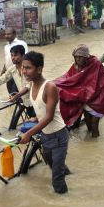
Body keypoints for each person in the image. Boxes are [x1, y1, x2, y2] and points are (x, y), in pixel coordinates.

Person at [19, 51, 71, 194]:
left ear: (40, 69)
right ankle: (67, 172)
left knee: (57, 179)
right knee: (51, 163)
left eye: (28, 68)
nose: (24, 71)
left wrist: (29, 134)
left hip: (58, 136)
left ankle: (64, 205)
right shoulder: (31, 86)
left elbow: (48, 116)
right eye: (23, 67)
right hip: (45, 135)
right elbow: (41, 108)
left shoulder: (50, 87)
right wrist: (36, 118)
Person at [54, 44, 104, 138]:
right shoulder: (76, 66)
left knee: (94, 126)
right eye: (76, 57)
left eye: (80, 57)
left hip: (98, 98)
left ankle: (95, 147)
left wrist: (87, 93)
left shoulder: (96, 63)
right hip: (86, 99)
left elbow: (101, 84)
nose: (78, 59)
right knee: (89, 125)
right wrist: (53, 84)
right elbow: (67, 78)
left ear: (86, 57)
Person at [0, 45, 36, 118]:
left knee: (40, 124)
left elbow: (29, 86)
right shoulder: (12, 69)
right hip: (26, 102)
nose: (13, 58)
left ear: (23, 56)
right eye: (11, 55)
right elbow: (1, 79)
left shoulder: (29, 68)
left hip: (35, 102)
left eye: (15, 55)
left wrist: (17, 96)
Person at [2, 28, 28, 94]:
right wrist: (3, 72)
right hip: (9, 73)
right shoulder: (6, 46)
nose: (6, 36)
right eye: (5, 34)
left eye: (8, 34)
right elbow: (6, 60)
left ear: (14, 34)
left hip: (18, 73)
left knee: (16, 93)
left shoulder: (21, 43)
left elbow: (26, 57)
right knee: (10, 93)